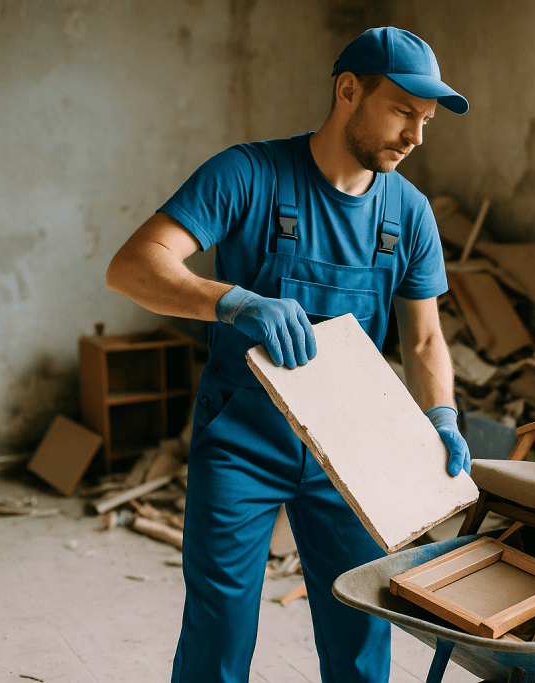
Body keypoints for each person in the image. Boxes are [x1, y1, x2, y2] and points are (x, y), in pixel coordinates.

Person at [105, 26, 471, 683]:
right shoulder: (247, 174)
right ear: (349, 90)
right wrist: (233, 301)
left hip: (351, 452)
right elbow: (133, 266)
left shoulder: (410, 214)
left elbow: (422, 339)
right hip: (242, 441)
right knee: (220, 631)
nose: (416, 136)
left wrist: (441, 414)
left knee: (362, 635)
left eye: (426, 120)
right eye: (402, 112)